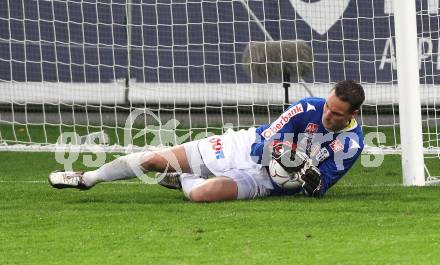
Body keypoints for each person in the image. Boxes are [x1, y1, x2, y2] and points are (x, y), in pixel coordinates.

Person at [48, 80, 365, 202]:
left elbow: (322, 187)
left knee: (201, 195)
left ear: (352, 113)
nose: (327, 115)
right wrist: (283, 152)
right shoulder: (306, 107)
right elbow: (260, 145)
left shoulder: (351, 144)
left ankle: (184, 177)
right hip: (243, 147)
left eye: (336, 114)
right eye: (327, 107)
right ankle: (87, 178)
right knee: (154, 160)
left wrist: (311, 181)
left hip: (268, 183)